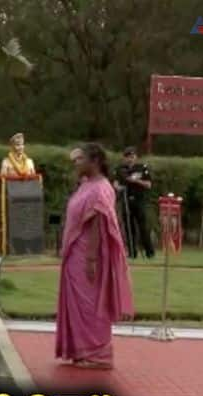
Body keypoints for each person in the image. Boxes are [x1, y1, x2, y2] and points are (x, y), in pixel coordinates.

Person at [56, 143, 134, 370]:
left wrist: (90, 259)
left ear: (95, 161)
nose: (76, 164)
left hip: (89, 256)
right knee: (78, 303)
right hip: (74, 254)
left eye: (80, 159)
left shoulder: (101, 189)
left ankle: (99, 354)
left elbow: (98, 225)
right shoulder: (86, 185)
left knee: (91, 304)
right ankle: (80, 351)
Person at [113, 147, 154, 259]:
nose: (130, 159)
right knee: (129, 228)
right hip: (126, 200)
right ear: (124, 158)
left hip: (139, 200)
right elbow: (115, 183)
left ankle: (149, 252)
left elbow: (148, 184)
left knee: (143, 227)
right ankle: (132, 252)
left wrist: (136, 181)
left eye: (132, 156)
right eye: (128, 157)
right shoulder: (120, 169)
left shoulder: (142, 168)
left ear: (136, 157)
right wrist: (118, 187)